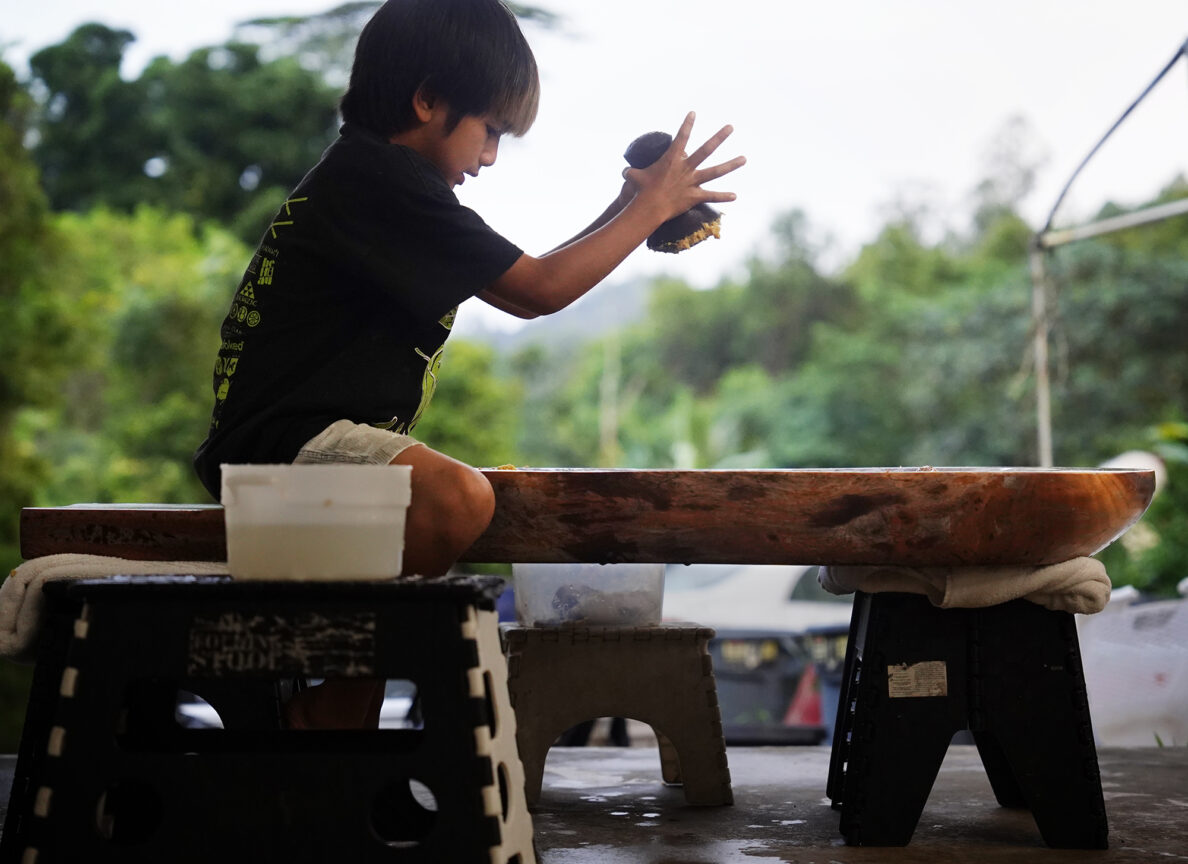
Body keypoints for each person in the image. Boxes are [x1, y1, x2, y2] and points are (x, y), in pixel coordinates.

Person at [193, 0, 745, 728]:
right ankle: (322, 709)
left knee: (459, 503)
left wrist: (629, 203)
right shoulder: (379, 180)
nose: (488, 159)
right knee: (458, 499)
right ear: (427, 101)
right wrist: (650, 211)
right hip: (283, 452)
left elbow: (531, 276)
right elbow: (539, 292)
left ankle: (338, 714)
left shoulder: (378, 179)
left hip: (293, 448)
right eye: (489, 132)